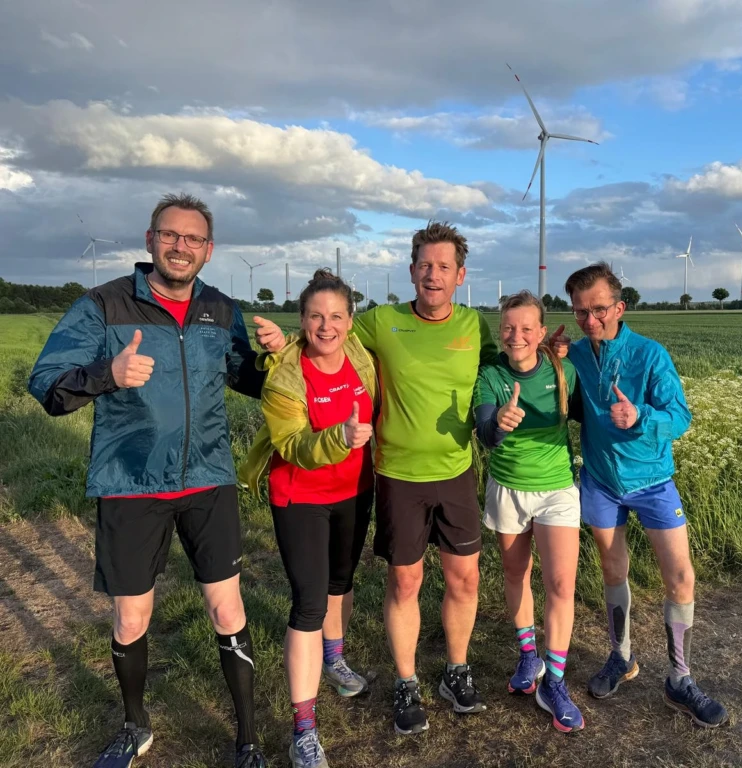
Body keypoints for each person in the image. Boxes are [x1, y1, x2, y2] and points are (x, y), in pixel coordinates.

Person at [28, 193, 286, 768]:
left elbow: (245, 378)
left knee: (228, 612)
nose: (180, 246)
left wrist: (273, 358)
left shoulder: (220, 308)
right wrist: (108, 373)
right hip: (131, 480)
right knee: (131, 617)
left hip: (208, 479)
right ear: (150, 241)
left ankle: (247, 738)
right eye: (170, 235)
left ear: (209, 250)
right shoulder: (104, 304)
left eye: (193, 239)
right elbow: (46, 383)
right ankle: (134, 725)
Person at [556, 261, 728, 728]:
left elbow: (681, 417)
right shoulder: (576, 355)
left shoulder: (650, 355)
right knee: (613, 571)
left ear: (620, 307)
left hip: (653, 481)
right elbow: (561, 396)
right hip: (600, 482)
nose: (590, 320)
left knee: (681, 577)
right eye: (580, 312)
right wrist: (552, 356)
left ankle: (680, 679)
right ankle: (622, 657)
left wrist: (641, 417)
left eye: (598, 309)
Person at [349, 220, 497, 735]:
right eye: (425, 266)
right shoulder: (380, 321)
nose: (434, 275)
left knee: (465, 578)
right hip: (398, 474)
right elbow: (327, 338)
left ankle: (456, 670)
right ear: (411, 271)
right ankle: (407, 681)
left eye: (444, 267)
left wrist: (552, 357)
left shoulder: (475, 325)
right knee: (405, 580)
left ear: (461, 276)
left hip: (456, 471)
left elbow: (505, 370)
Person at [239, 270, 377, 768]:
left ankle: (334, 660)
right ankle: (303, 730)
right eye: (316, 317)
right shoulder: (285, 377)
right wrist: (340, 437)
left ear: (350, 321)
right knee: (309, 605)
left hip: (356, 491)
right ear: (301, 320)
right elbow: (294, 445)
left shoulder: (360, 355)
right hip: (301, 497)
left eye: (336, 316)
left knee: (341, 582)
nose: (326, 326)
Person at [473, 290, 584, 732]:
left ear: (541, 333)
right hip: (507, 487)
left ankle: (554, 682)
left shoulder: (564, 371)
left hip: (557, 488)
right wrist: (499, 424)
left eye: (525, 328)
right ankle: (528, 656)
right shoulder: (490, 375)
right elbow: (485, 433)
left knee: (560, 584)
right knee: (515, 574)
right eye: (508, 327)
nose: (515, 335)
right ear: (500, 331)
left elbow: (586, 412)